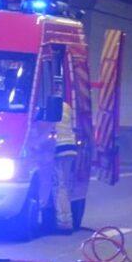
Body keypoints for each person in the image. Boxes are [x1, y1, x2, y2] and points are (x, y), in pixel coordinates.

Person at [53, 99, 78, 233]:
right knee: (65, 185)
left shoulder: (50, 106)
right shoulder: (67, 106)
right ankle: (68, 219)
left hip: (59, 148)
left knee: (59, 186)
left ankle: (64, 222)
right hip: (70, 147)